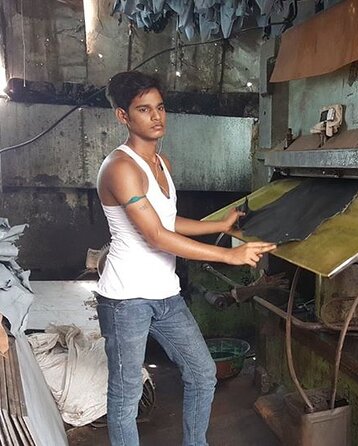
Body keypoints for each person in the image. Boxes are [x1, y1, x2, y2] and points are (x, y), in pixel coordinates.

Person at [95, 71, 275, 446]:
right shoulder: (120, 168)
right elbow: (158, 236)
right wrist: (230, 255)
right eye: (144, 110)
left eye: (160, 107)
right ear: (123, 117)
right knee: (126, 395)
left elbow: (167, 219)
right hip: (126, 299)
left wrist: (218, 224)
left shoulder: (162, 163)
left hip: (165, 294)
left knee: (202, 372)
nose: (157, 117)